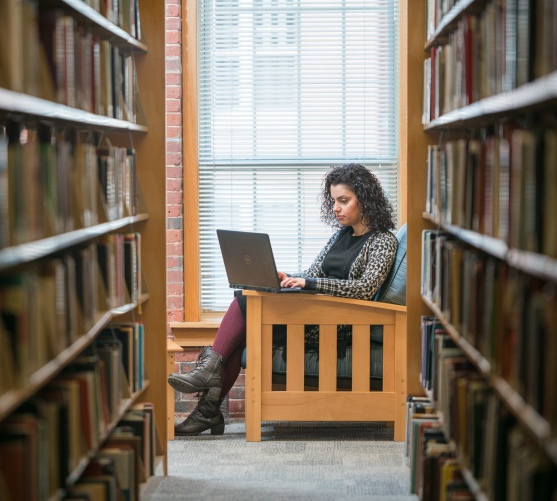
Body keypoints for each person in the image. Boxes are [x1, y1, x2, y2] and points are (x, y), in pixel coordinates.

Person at [167, 163, 399, 436]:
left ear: (365, 199)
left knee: (244, 304)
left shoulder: (383, 240)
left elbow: (364, 288)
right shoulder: (341, 235)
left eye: (343, 201)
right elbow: (312, 273)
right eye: (334, 201)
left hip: (333, 323)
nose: (336, 208)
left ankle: (208, 397)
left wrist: (309, 283)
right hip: (313, 311)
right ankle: (208, 408)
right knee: (247, 306)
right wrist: (287, 276)